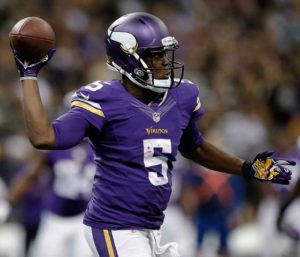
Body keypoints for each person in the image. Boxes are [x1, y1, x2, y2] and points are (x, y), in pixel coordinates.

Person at [10, 12, 296, 257]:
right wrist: (29, 75)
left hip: (153, 226)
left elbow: (195, 147)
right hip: (113, 226)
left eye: (164, 54)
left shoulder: (181, 96)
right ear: (127, 59)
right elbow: (44, 137)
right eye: (154, 56)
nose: (163, 62)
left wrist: (247, 167)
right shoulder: (102, 100)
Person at [5, 140, 95, 257]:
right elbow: (31, 175)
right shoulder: (57, 145)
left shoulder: (100, 147)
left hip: (84, 219)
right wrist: (9, 199)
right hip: (54, 218)